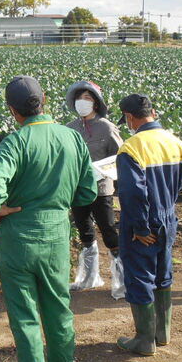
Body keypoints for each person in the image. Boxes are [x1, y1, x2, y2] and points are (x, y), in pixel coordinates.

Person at [0, 75, 98, 362]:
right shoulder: (71, 137)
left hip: (17, 239)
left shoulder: (16, 142)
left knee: (25, 315)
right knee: (58, 305)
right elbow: (88, 190)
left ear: (12, 110)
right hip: (56, 235)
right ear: (43, 99)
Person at [115, 94, 182, 356]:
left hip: (144, 221)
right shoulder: (177, 143)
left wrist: (140, 228)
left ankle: (144, 340)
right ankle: (162, 333)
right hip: (168, 216)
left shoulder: (131, 147)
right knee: (163, 274)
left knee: (139, 277)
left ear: (130, 117)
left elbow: (133, 193)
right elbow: (179, 184)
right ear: (153, 112)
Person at [65, 81, 125, 296]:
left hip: (101, 188)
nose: (83, 102)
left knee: (109, 231)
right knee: (85, 232)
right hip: (78, 189)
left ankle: (122, 282)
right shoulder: (70, 128)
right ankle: (89, 278)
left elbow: (121, 157)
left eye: (88, 99)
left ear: (97, 104)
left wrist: (105, 169)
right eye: (80, 98)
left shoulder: (107, 127)